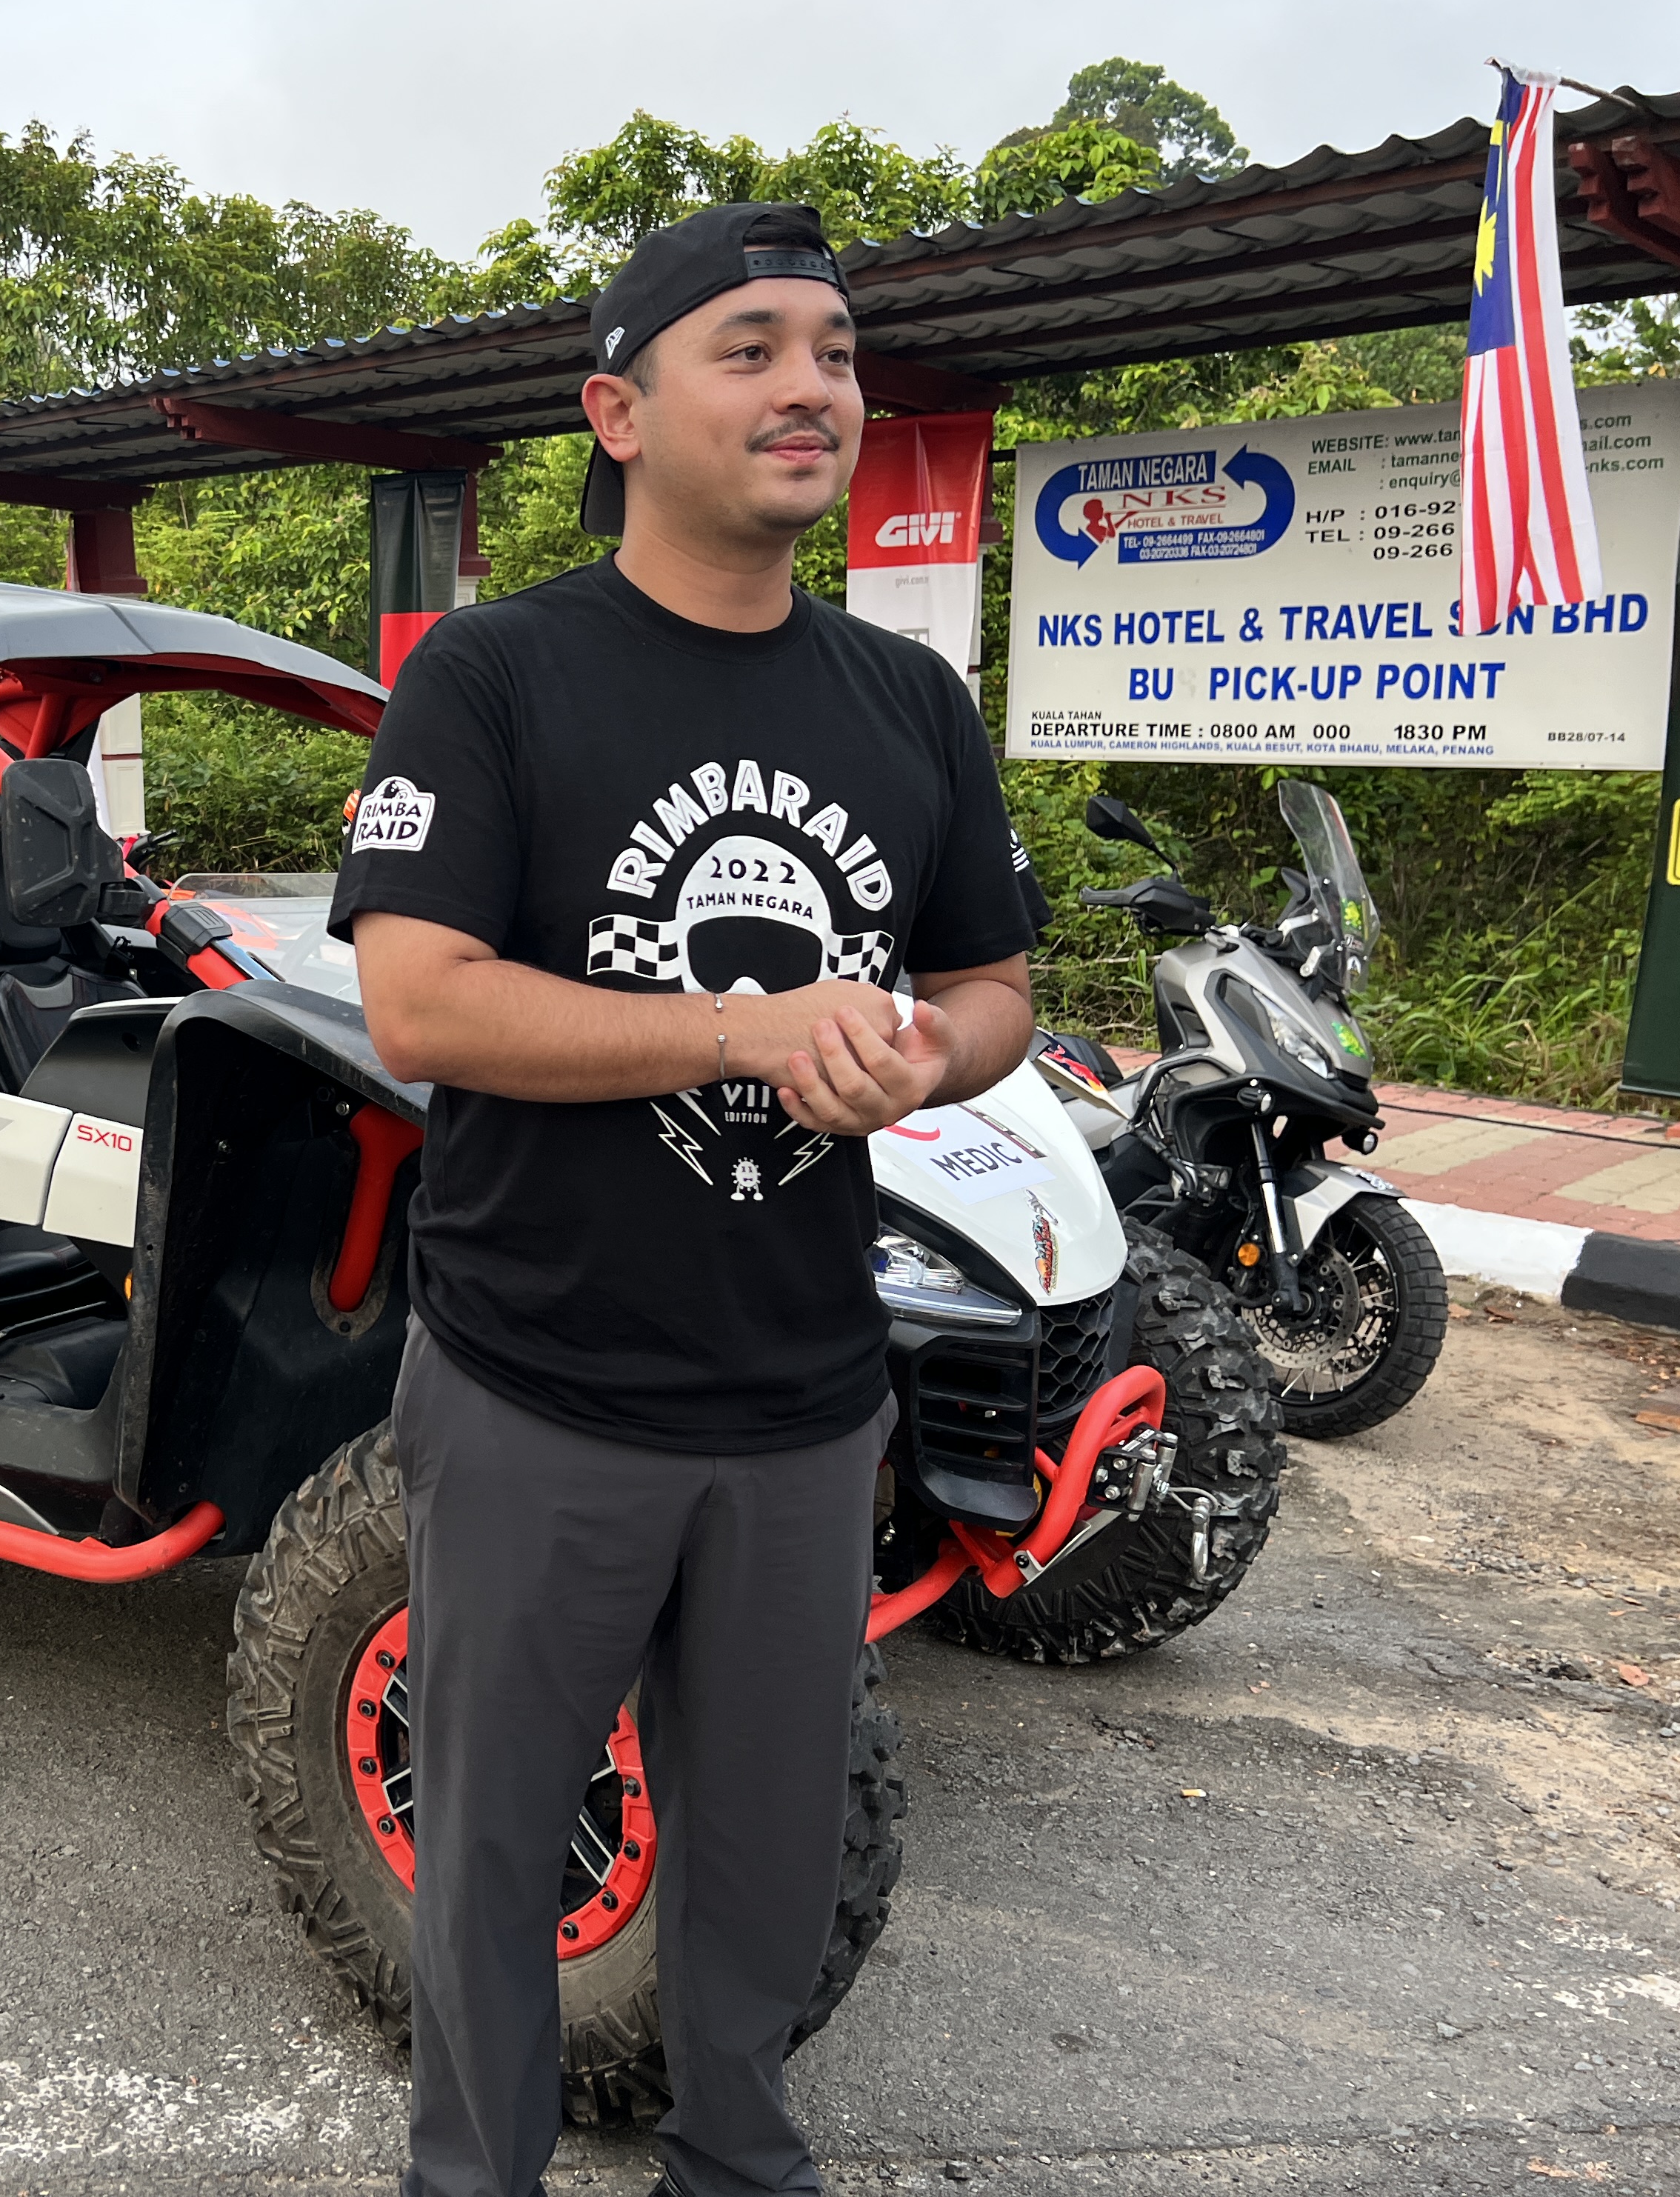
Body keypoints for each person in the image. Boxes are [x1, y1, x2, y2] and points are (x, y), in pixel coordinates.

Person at [328, 201, 1039, 2197]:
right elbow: (418, 1002)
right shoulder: (495, 675)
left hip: (805, 1391)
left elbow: (995, 988)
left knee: (771, 1858)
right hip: (540, 1383)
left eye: (835, 350)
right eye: (752, 349)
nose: (813, 386)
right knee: (492, 1848)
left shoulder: (910, 703)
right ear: (618, 412)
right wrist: (744, 1031)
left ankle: (742, 2159)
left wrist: (924, 1058)